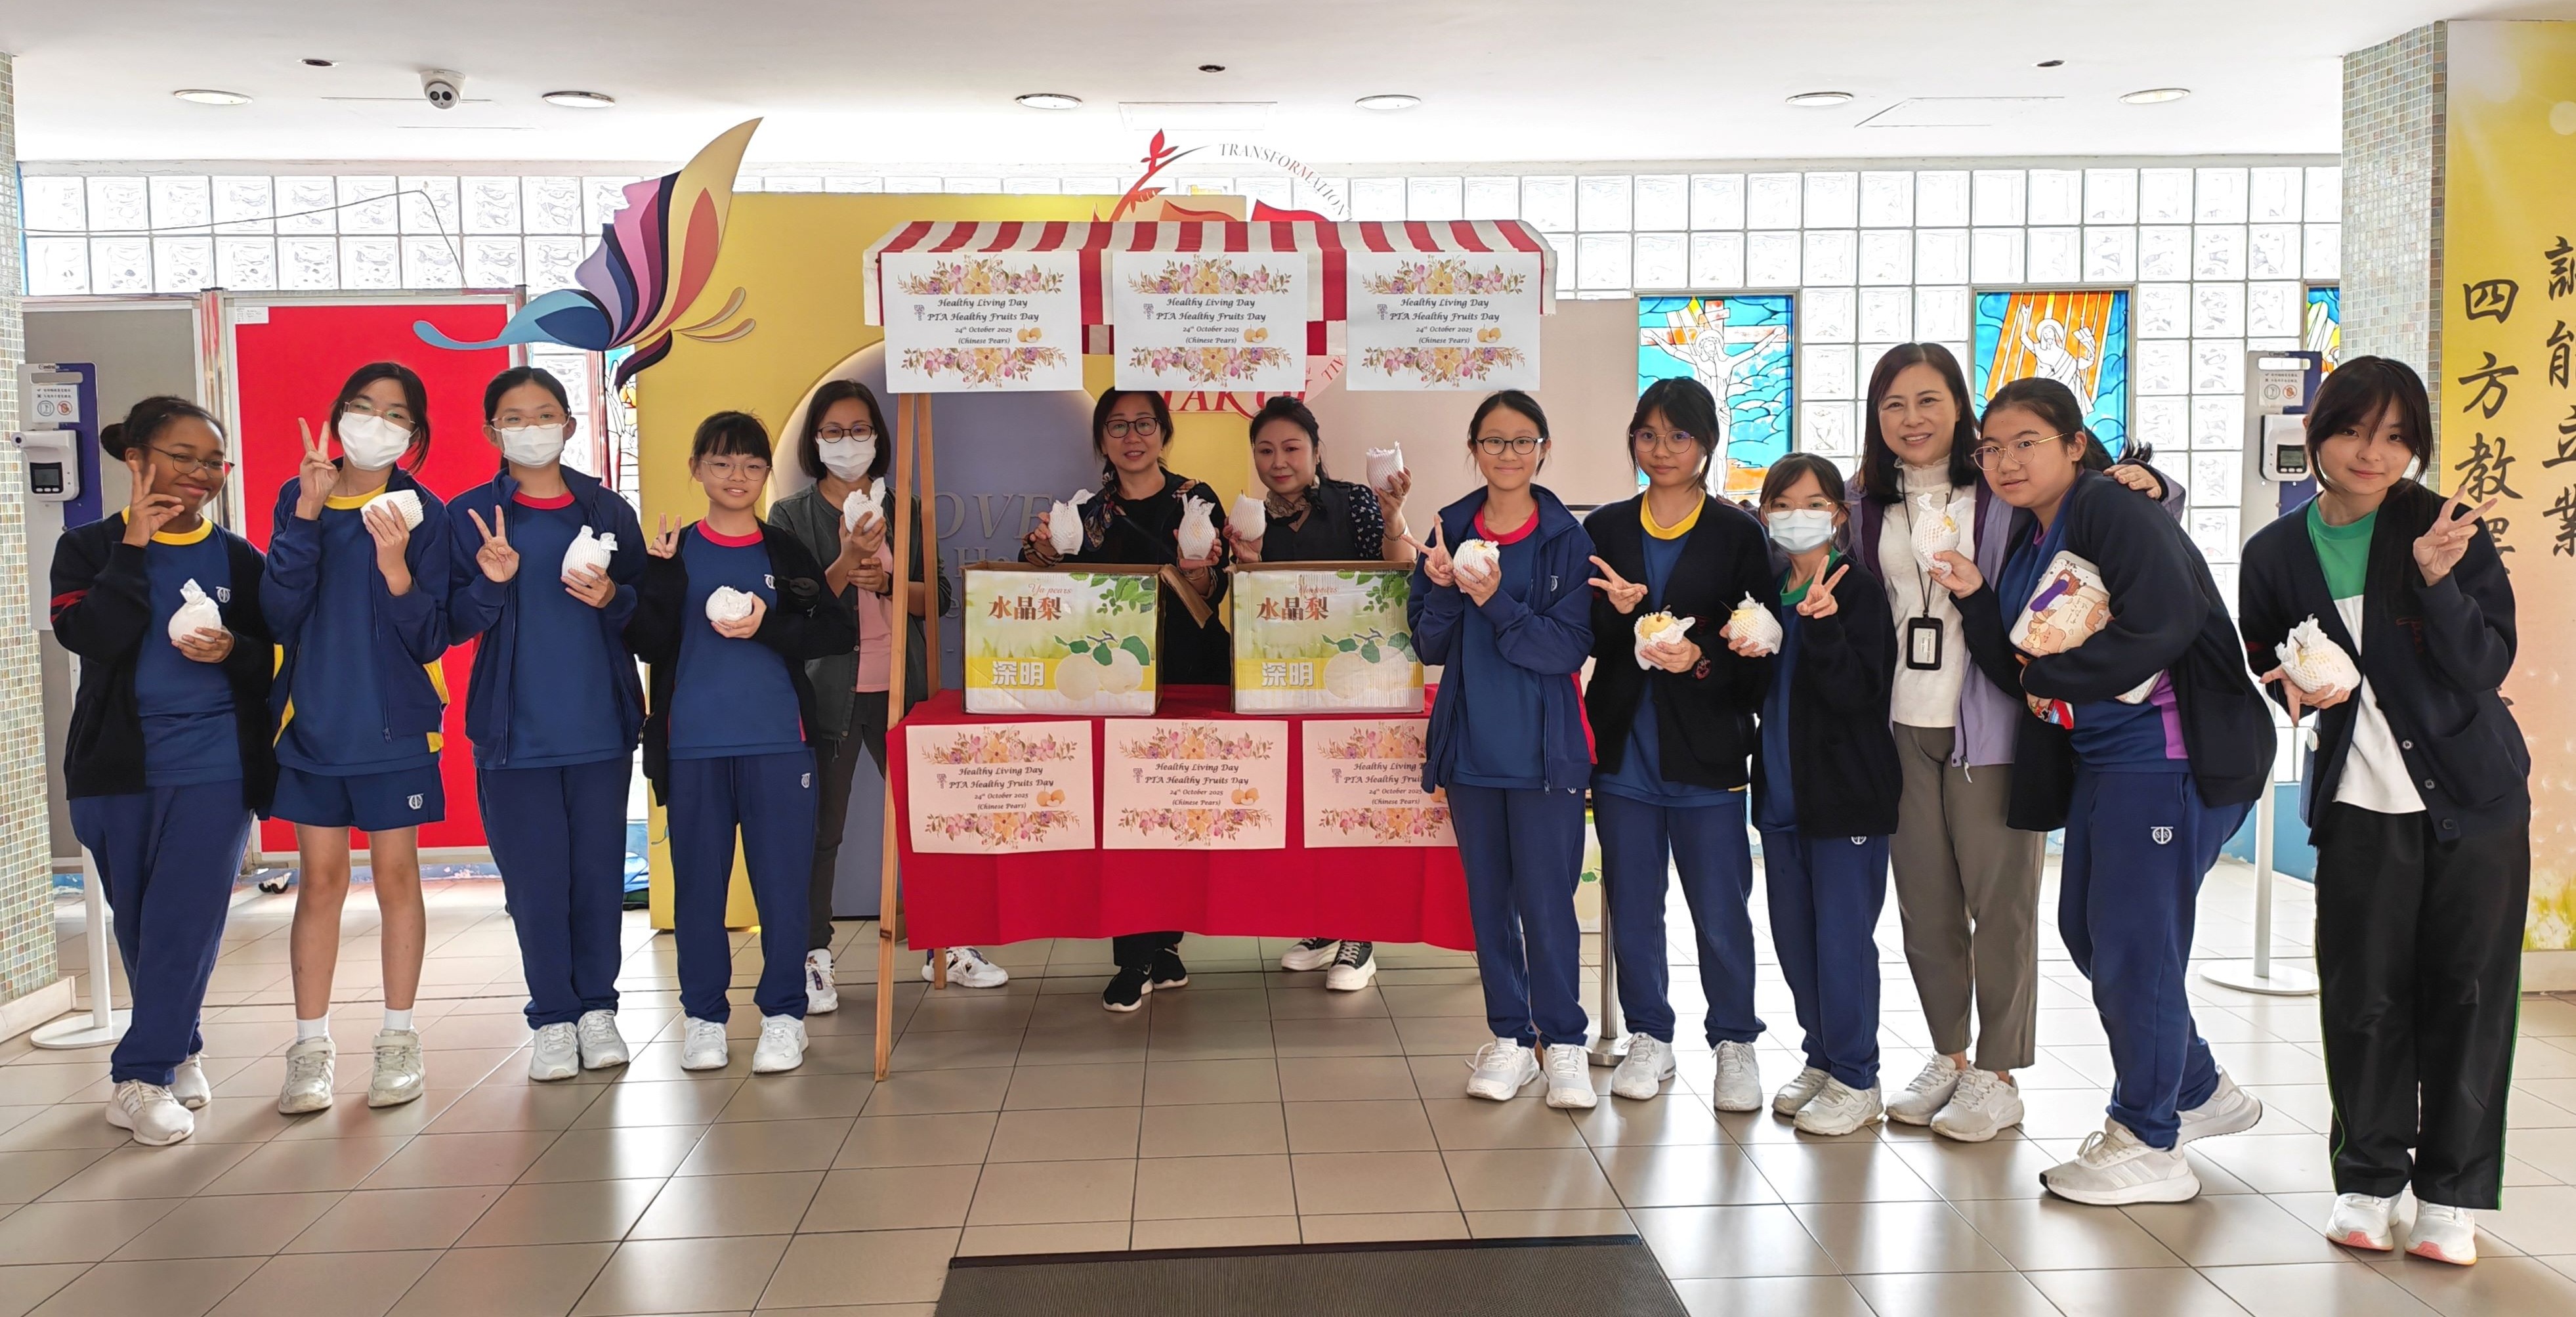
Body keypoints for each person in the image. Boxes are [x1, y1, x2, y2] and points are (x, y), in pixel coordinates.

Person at [1937, 377, 2273, 1205]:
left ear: (2074, 444)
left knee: (2132, 944)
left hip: (2167, 756)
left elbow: (2162, 620)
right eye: (1992, 448)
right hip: (2104, 760)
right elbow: (2020, 667)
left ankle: (2149, 1137)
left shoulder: (2110, 507)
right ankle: (2195, 1086)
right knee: (2090, 933)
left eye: (2026, 442)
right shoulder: (2031, 538)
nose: (2006, 461)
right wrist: (1976, 598)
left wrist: (2047, 676)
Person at [1849, 344, 2180, 1142]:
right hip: (1899, 724)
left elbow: (2112, 507)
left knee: (1999, 907)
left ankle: (1998, 1072)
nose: (1912, 419)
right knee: (1924, 906)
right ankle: (1950, 1055)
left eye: (1928, 400)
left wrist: (2155, 482)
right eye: (1893, 404)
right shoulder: (1864, 502)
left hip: (1992, 724)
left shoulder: (2001, 490)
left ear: (1960, 409)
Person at [2237, 357, 2525, 1265]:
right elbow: (2264, 652)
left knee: (2468, 996)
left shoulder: (2443, 528)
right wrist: (2283, 682)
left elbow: (2485, 664)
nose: (2374, 453)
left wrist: (2436, 582)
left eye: (2397, 437)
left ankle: (2451, 1196)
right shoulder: (2274, 553)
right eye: (2356, 430)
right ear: (2317, 433)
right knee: (2362, 993)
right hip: (2358, 802)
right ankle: (2367, 1178)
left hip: (2473, 802)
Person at [54, 398, 274, 1146]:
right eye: (183, 456)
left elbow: (272, 659)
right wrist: (135, 547)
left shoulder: (240, 559)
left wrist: (233, 651)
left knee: (187, 916)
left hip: (215, 766)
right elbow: (92, 636)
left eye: (213, 462)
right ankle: (180, 1046)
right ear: (137, 458)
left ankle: (139, 1077)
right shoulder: (87, 547)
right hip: (114, 768)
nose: (200, 474)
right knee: (143, 921)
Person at [628, 412, 857, 1075]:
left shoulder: (784, 551)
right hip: (693, 745)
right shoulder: (672, 551)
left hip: (779, 744)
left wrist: (768, 626)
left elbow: (835, 631)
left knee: (783, 889)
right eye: (722, 462)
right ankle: (703, 1018)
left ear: (764, 474)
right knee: (699, 891)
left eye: (752, 465)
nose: (738, 476)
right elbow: (644, 641)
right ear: (696, 468)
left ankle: (784, 1017)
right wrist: (658, 579)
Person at [262, 361, 452, 1115]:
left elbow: (431, 633)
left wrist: (395, 564)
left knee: (398, 877)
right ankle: (309, 1050)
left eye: (396, 413)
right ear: (337, 412)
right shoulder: (297, 495)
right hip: (313, 725)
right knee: (320, 882)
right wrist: (308, 515)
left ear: (415, 433)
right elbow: (278, 611)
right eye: (363, 406)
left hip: (395, 728)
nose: (377, 422)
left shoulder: (422, 510)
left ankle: (399, 1040)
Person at [447, 366, 647, 1081]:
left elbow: (646, 613)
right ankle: (554, 1018)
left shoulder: (607, 509)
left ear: (568, 424)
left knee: (596, 877)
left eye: (543, 415)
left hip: (598, 727)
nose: (530, 428)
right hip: (514, 736)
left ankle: (597, 1009)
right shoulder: (470, 515)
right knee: (534, 885)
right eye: (514, 417)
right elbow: (447, 623)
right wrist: (489, 583)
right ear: (491, 431)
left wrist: (613, 596)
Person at [770, 379, 998, 1003]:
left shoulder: (907, 509)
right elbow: (794, 607)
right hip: (827, 694)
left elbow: (939, 599)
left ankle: (945, 945)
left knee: (928, 823)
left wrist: (891, 582)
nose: (847, 443)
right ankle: (813, 956)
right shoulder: (791, 515)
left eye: (859, 430)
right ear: (816, 441)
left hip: (905, 689)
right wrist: (848, 562)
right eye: (834, 432)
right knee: (821, 830)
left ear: (878, 437)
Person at [1576, 379, 1771, 1106]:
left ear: (1705, 445)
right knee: (1633, 903)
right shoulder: (1605, 528)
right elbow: (1584, 635)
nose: (1661, 450)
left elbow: (1759, 643)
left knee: (1720, 910)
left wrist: (1700, 660)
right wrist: (1618, 613)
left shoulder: (1736, 532)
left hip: (1707, 749)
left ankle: (1735, 1042)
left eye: (1678, 436)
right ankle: (1649, 1035)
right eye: (1648, 435)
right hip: (1624, 747)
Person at [1408, 390, 1599, 1109]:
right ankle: (1512, 1039)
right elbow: (1428, 643)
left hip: (1546, 752)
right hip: (1471, 750)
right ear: (1474, 449)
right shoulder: (1449, 526)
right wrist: (1443, 589)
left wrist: (1491, 599)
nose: (1508, 453)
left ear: (1544, 449)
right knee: (1489, 905)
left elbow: (1565, 649)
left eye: (1523, 441)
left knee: (1548, 903)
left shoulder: (1566, 538)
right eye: (1493, 440)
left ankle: (1565, 1042)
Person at [1021, 389, 1230, 1011]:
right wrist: (1041, 553)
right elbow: (1059, 589)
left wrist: (1202, 572)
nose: (1131, 436)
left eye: (1144, 423)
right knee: (1125, 818)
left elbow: (1215, 592)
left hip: (1192, 670)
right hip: (1117, 682)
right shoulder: (1087, 513)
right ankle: (1135, 956)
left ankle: (1164, 943)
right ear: (1101, 438)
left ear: (1163, 432)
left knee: (1180, 812)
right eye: (1117, 426)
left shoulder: (1196, 499)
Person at [1226, 395, 1413, 991]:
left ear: (1314, 450)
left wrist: (1393, 516)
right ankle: (1323, 926)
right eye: (1265, 450)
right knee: (1307, 813)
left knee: (1354, 807)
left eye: (1291, 448)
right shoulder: (1250, 518)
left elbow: (1398, 572)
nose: (1278, 461)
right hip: (1290, 685)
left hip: (1359, 679)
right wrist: (1246, 565)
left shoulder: (1355, 501)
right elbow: (1248, 614)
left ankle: (1360, 936)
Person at [1739, 454, 1901, 1134]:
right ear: (1765, 514)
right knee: (1795, 940)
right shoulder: (1768, 590)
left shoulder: (1855, 590)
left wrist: (1825, 625)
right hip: (1781, 797)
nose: (1796, 516)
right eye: (1781, 504)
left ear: (1838, 514)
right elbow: (1761, 694)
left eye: (1813, 504)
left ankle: (1858, 1075)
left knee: (1841, 940)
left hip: (1845, 798)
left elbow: (1859, 694)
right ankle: (1823, 1055)